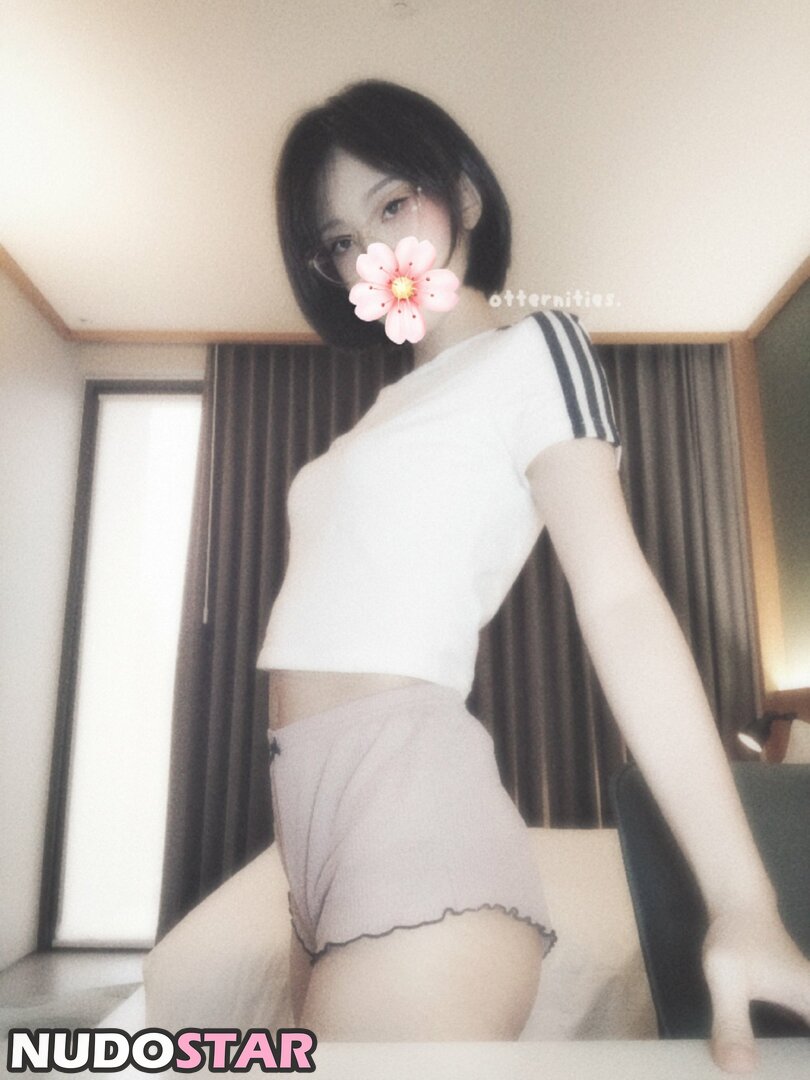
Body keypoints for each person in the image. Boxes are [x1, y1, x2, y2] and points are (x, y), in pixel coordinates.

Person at [257, 79, 810, 1065]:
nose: (371, 251)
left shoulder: (535, 349)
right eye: (340, 240)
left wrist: (742, 901)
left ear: (464, 196)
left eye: (393, 204)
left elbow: (620, 597)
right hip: (308, 827)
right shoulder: (380, 414)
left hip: (410, 804)